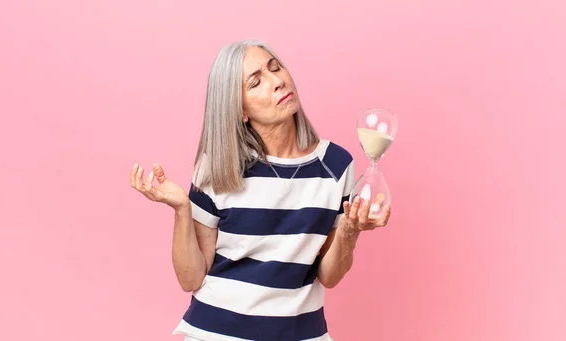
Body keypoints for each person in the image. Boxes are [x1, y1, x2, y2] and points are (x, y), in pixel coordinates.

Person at [129, 39, 391, 341]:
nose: (277, 81)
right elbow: (191, 278)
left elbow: (328, 277)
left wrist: (350, 230)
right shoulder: (218, 167)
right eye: (256, 82)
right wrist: (182, 209)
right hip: (216, 334)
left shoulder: (335, 165)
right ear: (239, 110)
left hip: (300, 333)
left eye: (276, 67)